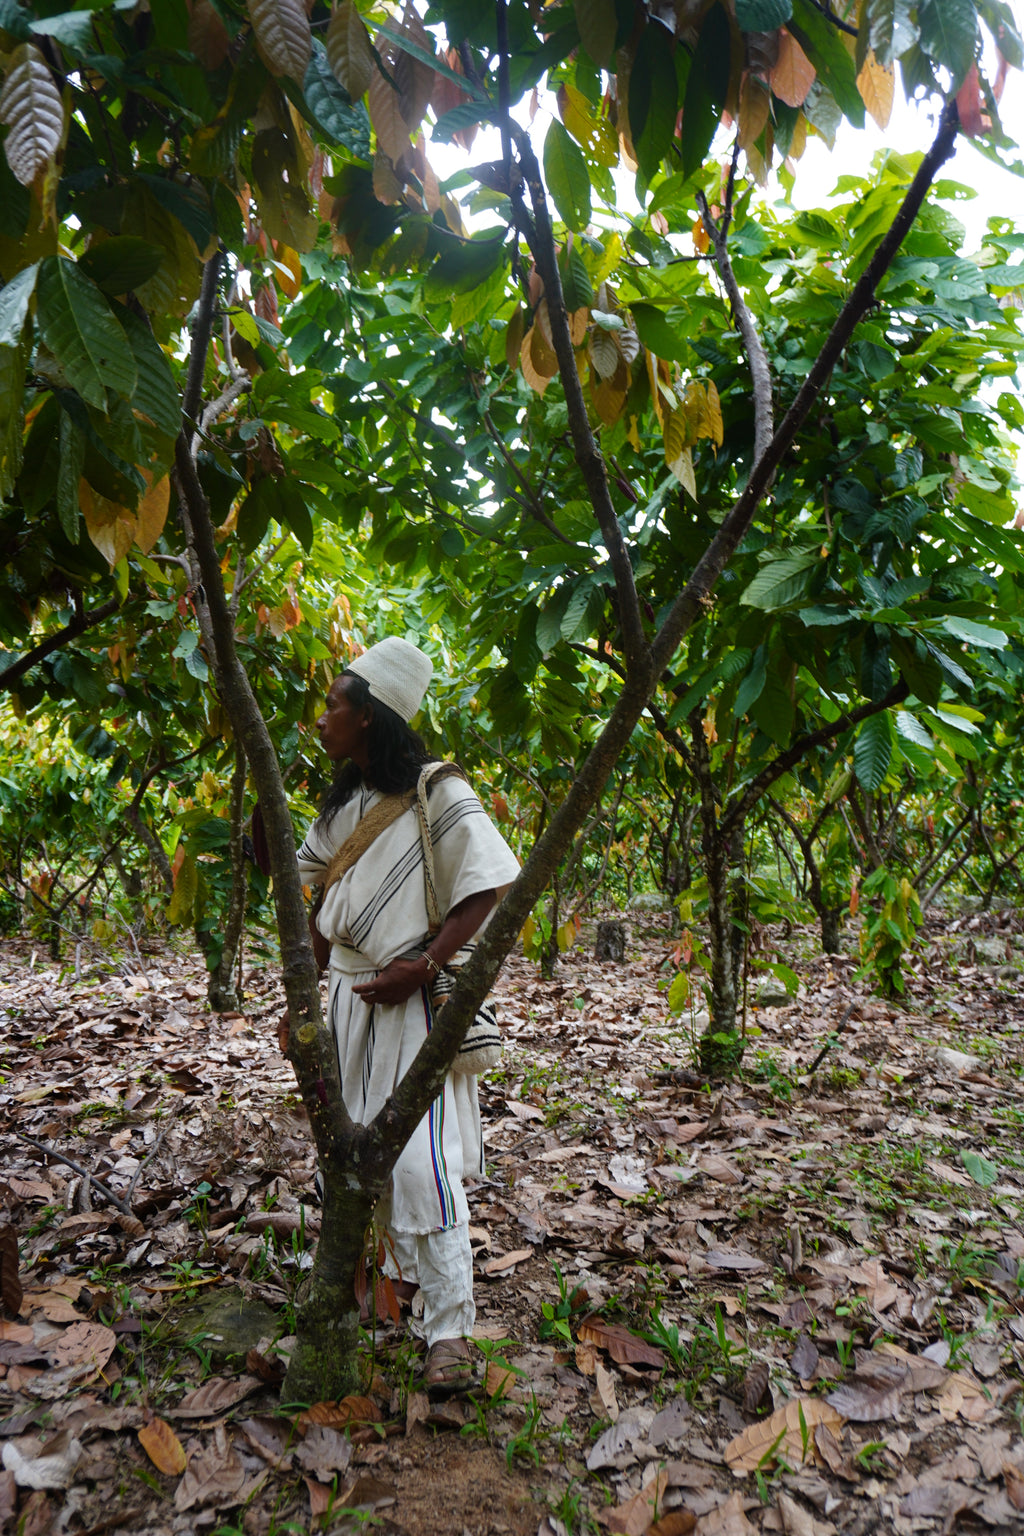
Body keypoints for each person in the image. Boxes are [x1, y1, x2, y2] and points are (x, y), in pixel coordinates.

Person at [294, 636, 520, 1394]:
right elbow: (316, 901)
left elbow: (485, 886)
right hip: (348, 1005)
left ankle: (449, 1334)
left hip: (410, 1005)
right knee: (351, 1161)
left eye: (335, 705)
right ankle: (371, 1298)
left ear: (372, 716)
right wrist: (307, 1012)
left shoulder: (437, 790)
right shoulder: (344, 802)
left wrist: (422, 963)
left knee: (421, 1166)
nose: (322, 719)